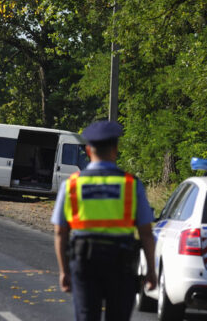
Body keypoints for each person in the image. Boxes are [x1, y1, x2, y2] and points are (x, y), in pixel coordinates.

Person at [51, 121, 157, 321]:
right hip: (121, 263)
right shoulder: (131, 185)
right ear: (115, 150)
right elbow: (146, 234)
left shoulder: (72, 184)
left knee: (86, 316)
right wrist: (151, 271)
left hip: (84, 261)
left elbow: (60, 232)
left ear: (89, 150)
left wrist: (64, 271)